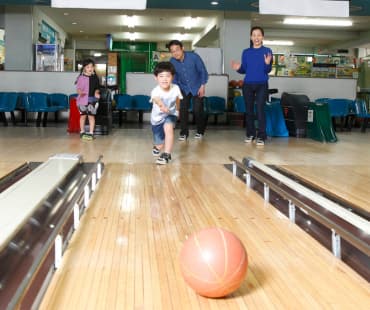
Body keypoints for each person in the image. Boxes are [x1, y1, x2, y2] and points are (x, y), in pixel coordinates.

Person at [231, 26, 273, 146]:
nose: (256, 38)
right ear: (251, 37)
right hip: (248, 84)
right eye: (254, 35)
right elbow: (244, 69)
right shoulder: (246, 52)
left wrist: (266, 64)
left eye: (259, 35)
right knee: (249, 111)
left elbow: (268, 70)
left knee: (260, 110)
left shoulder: (267, 51)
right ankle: (250, 134)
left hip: (262, 84)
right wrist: (238, 68)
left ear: (262, 37)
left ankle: (261, 136)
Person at [168, 40, 208, 140]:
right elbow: (174, 77)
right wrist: (177, 89)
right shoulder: (172, 62)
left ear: (182, 49)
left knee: (197, 110)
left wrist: (202, 86)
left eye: (177, 50)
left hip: (197, 86)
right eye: (172, 51)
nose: (175, 53)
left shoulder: (194, 57)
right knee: (183, 109)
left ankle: (200, 131)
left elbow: (202, 71)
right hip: (183, 88)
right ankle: (184, 133)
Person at [150, 62, 183, 165]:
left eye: (168, 76)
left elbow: (178, 99)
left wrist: (178, 111)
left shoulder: (176, 88)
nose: (165, 79)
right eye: (161, 76)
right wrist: (162, 106)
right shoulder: (155, 91)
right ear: (156, 78)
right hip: (157, 119)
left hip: (170, 114)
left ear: (172, 77)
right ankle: (158, 147)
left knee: (169, 129)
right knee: (160, 143)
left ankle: (166, 154)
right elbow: (157, 100)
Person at [75, 58, 100, 140]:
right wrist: (80, 92)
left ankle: (91, 133)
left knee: (91, 116)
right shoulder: (81, 78)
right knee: (83, 116)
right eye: (88, 67)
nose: (90, 68)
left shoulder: (95, 78)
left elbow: (97, 88)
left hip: (92, 100)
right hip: (82, 100)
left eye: (92, 67)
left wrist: (96, 92)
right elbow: (78, 88)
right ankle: (82, 132)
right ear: (84, 68)